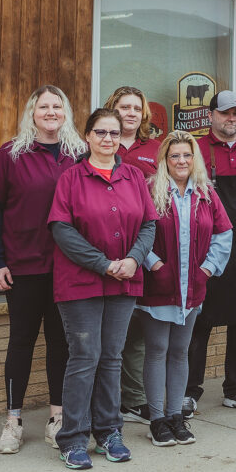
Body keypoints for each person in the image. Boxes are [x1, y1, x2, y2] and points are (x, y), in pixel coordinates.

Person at [48, 108, 158, 470]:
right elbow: (62, 230)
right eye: (101, 132)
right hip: (81, 283)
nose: (108, 139)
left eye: (113, 133)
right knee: (85, 357)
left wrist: (133, 258)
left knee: (112, 358)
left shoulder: (134, 177)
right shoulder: (71, 178)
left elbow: (147, 225)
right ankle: (73, 437)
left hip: (125, 280)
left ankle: (110, 432)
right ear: (88, 136)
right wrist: (104, 263)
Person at [0, 85, 86, 454]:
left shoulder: (80, 154)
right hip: (22, 266)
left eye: (58, 105)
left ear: (66, 112)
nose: (51, 112)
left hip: (67, 268)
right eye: (44, 106)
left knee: (61, 344)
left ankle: (57, 418)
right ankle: (13, 421)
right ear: (32, 112)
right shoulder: (11, 154)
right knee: (21, 343)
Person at [137, 131, 233, 446]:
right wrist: (152, 264)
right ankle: (157, 420)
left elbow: (223, 233)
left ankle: (176, 415)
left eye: (187, 155)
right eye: (175, 155)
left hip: (192, 288)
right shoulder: (151, 190)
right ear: (165, 159)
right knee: (157, 351)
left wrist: (208, 268)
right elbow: (136, 231)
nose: (181, 161)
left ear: (195, 160)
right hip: (159, 286)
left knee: (180, 351)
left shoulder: (205, 193)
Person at [184, 91, 236, 417]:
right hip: (205, 249)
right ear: (211, 115)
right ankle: (188, 392)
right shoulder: (195, 151)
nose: (231, 119)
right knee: (199, 322)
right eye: (225, 113)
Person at [103, 86, 161, 427]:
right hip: (104, 252)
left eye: (136, 108)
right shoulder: (96, 145)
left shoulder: (156, 149)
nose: (130, 113)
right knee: (105, 335)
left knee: (137, 330)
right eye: (124, 107)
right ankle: (107, 402)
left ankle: (135, 399)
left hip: (143, 248)